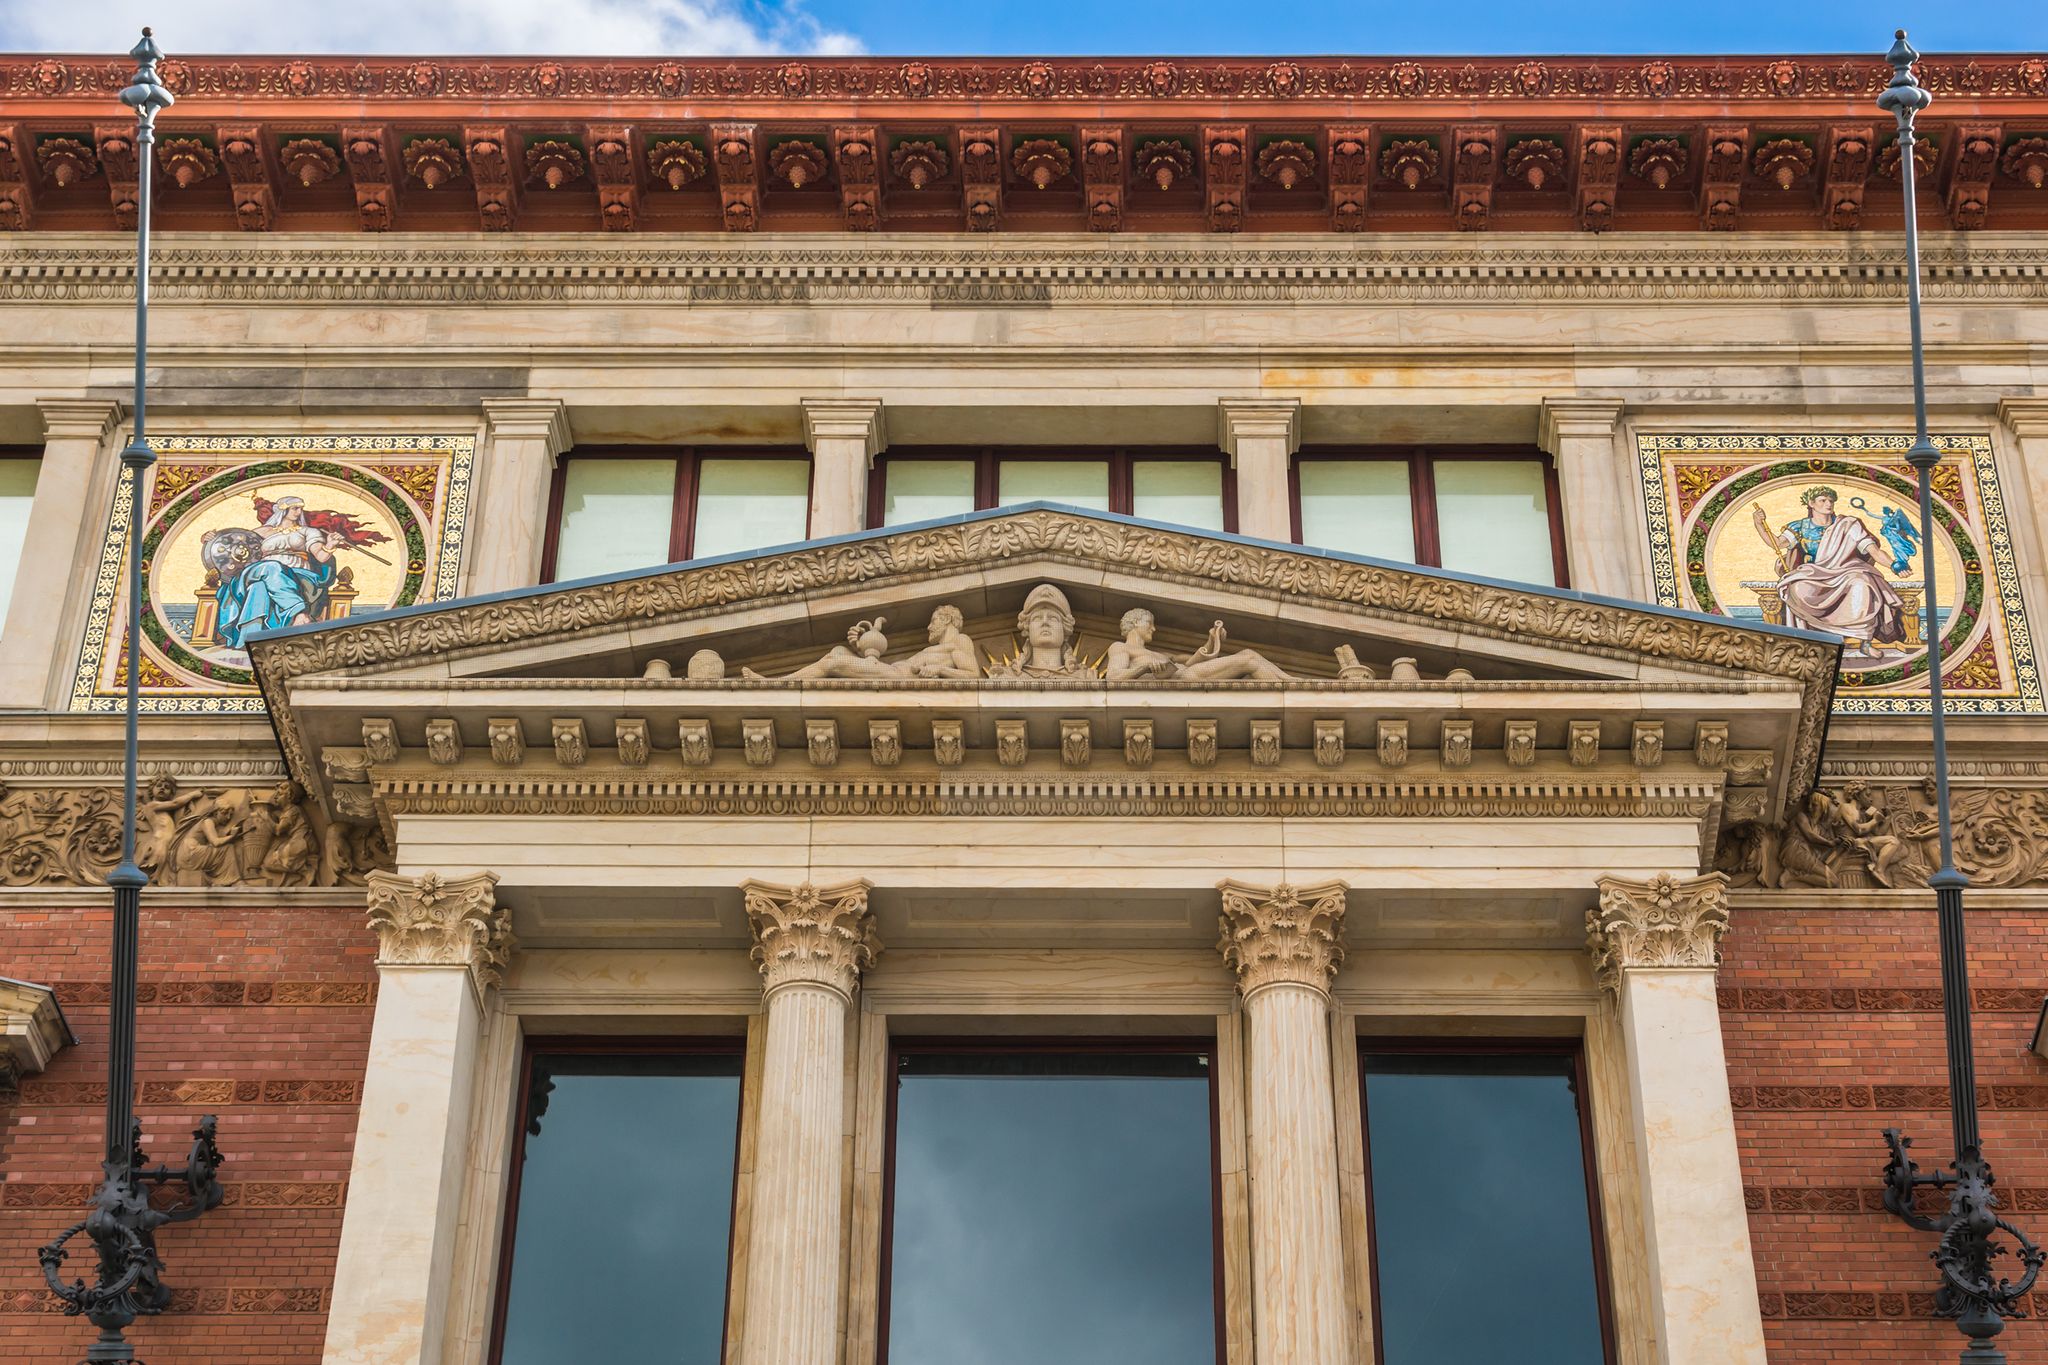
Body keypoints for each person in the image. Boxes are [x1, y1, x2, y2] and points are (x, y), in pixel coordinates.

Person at [1772, 486, 1908, 652]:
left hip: (1845, 572)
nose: (1828, 504)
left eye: (1831, 500)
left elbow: (1874, 551)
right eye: (1823, 500)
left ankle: (1865, 643)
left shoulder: (1848, 525)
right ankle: (1810, 640)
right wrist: (1758, 524)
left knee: (1863, 583)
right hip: (1811, 575)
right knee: (1798, 589)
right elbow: (1777, 544)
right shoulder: (1800, 526)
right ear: (1811, 503)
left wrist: (1895, 566)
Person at [213, 497, 346, 648]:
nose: (299, 512)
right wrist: (210, 540)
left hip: (297, 575)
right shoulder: (261, 532)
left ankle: (250, 639)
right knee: (272, 567)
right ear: (283, 509)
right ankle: (299, 612)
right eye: (295, 508)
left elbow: (321, 557)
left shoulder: (308, 532)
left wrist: (330, 544)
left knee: (259, 588)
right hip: (258, 571)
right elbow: (230, 546)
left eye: (300, 508)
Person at [743, 604, 981, 680]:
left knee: (832, 662)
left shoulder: (959, 641)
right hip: (889, 671)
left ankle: (775, 683)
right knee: (838, 650)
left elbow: (972, 673)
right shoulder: (939, 648)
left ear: (948, 619)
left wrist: (938, 670)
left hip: (897, 677)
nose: (929, 627)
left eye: (933, 621)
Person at [1104, 607, 1290, 682]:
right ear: (1135, 622)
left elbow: (1193, 660)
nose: (1153, 628)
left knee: (1248, 653)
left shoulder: (1160, 654)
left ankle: (1289, 681)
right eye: (1149, 623)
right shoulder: (1120, 647)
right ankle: (1290, 687)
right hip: (1184, 678)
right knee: (1248, 660)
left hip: (1188, 673)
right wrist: (1144, 668)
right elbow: (1114, 677)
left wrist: (1212, 638)